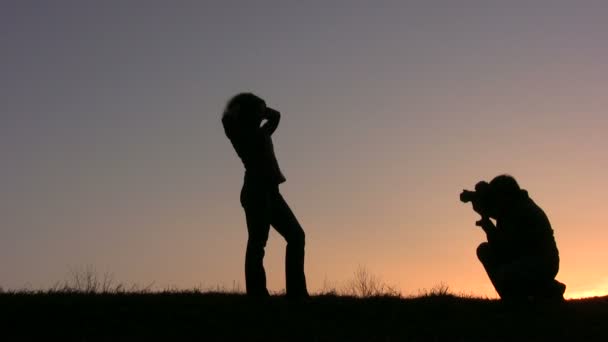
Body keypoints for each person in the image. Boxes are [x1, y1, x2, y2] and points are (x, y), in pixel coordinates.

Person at [221, 93, 309, 299]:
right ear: (249, 114)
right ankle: (257, 294)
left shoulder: (263, 133)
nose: (263, 113)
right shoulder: (240, 136)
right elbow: (226, 120)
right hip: (255, 191)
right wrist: (241, 107)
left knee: (296, 236)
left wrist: (262, 108)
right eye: (259, 110)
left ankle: (296, 293)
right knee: (258, 243)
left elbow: (276, 116)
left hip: (272, 192)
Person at [461, 175, 566, 301]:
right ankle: (548, 289)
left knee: (503, 272)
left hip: (541, 263)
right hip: (534, 261)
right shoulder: (513, 207)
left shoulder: (521, 211)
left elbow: (504, 248)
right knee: (487, 252)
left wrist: (486, 222)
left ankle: (516, 300)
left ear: (505, 195)